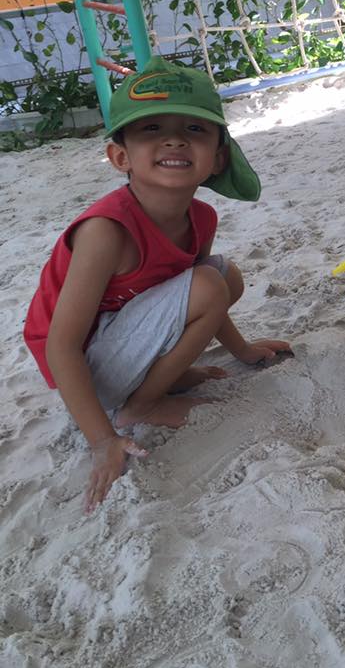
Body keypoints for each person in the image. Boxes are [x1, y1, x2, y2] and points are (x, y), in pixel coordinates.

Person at [24, 56, 291, 513]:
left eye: (194, 129)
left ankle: (153, 382)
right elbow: (60, 346)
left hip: (124, 342)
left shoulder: (201, 217)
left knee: (224, 276)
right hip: (85, 374)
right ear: (120, 157)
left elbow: (203, 294)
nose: (174, 139)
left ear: (218, 157)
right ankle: (140, 405)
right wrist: (102, 440)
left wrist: (242, 350)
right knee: (210, 285)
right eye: (151, 129)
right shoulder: (106, 232)